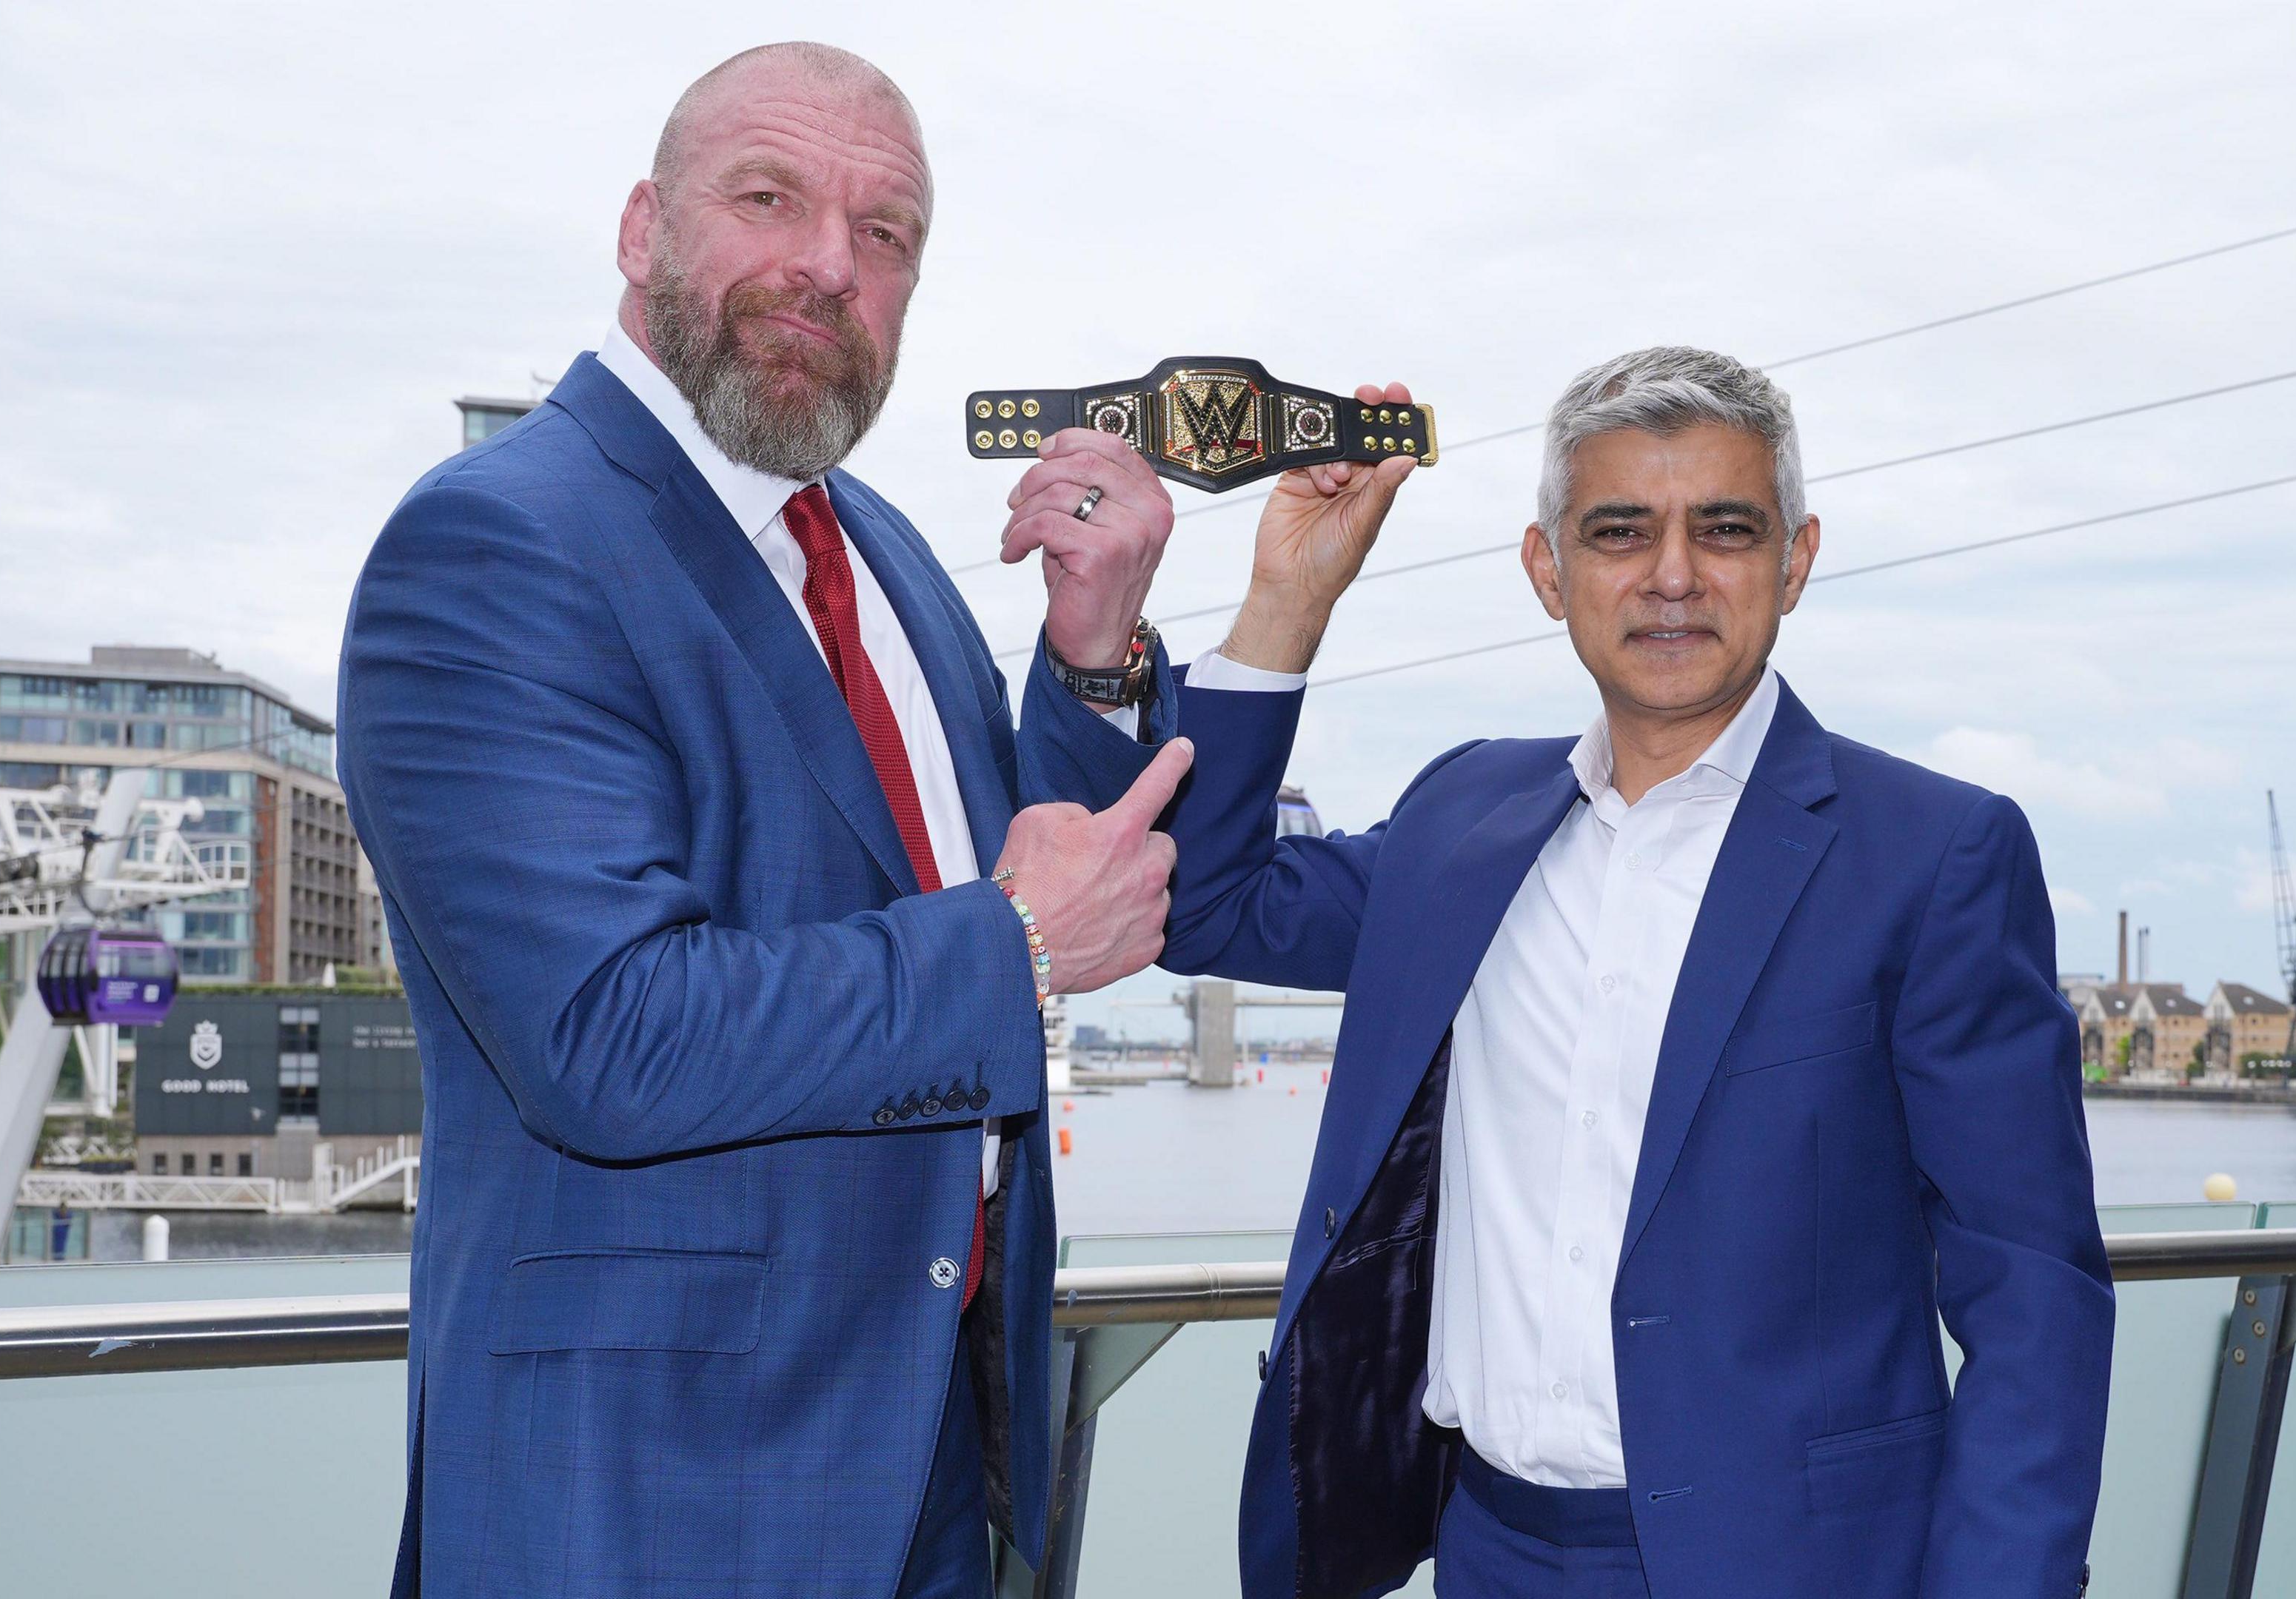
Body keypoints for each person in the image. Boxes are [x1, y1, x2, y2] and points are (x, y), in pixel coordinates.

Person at [338, 43, 1197, 1599]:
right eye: (769, 198)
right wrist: (1012, 945)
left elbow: (1016, 873)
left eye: (887, 236)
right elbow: (606, 1034)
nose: (827, 265)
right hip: (650, 1500)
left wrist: (1098, 656)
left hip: (932, 1459)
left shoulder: (884, 555)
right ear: (638, 230)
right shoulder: (495, 544)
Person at [1139, 349, 2114, 1597]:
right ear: (1548, 570)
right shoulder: (1462, 819)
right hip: (1486, 1552)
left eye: (1725, 529)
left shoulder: (1933, 855)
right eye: (1617, 532)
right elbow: (1209, 901)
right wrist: (1290, 601)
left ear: (1796, 560)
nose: (1671, 576)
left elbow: (2033, 1298)